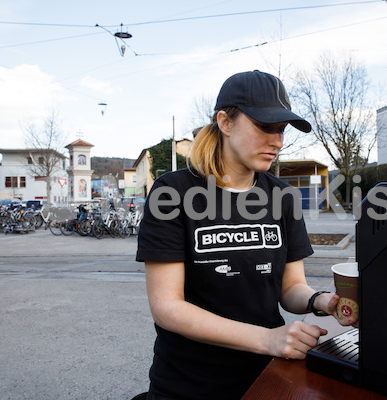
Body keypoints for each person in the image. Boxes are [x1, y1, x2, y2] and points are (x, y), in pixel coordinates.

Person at [136, 70, 355, 400]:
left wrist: (323, 301)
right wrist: (268, 338)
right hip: (188, 385)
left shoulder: (283, 197)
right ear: (225, 122)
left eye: (281, 130)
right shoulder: (173, 192)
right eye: (265, 127)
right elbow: (168, 307)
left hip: (267, 376)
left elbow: (290, 287)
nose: (278, 142)